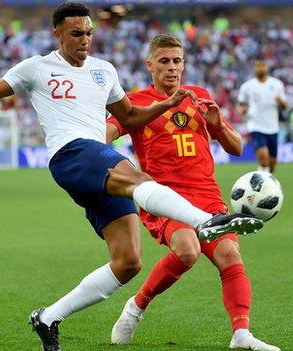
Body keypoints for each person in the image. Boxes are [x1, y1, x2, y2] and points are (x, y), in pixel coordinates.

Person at [0, 3, 263, 351]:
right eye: (76, 34)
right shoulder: (36, 68)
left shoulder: (104, 70)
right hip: (71, 154)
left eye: (88, 32)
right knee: (138, 178)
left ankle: (48, 317)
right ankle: (208, 221)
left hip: (98, 163)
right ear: (58, 34)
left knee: (128, 262)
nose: (84, 40)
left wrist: (163, 106)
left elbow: (131, 117)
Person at [106, 33, 279, 351]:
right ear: (149, 65)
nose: (172, 68)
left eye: (177, 61)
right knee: (187, 250)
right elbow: (103, 136)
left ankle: (241, 334)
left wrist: (218, 124)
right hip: (164, 196)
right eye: (164, 61)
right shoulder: (135, 103)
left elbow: (237, 146)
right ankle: (136, 307)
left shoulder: (199, 96)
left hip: (207, 194)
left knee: (229, 255)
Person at [237, 59, 287, 173]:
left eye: (262, 66)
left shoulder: (276, 84)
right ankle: (261, 180)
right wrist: (242, 110)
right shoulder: (247, 86)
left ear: (267, 67)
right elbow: (241, 103)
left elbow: (284, 106)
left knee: (272, 164)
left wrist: (281, 102)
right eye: (258, 66)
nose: (260, 69)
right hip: (256, 125)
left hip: (272, 127)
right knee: (263, 157)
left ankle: (264, 178)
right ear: (254, 69)